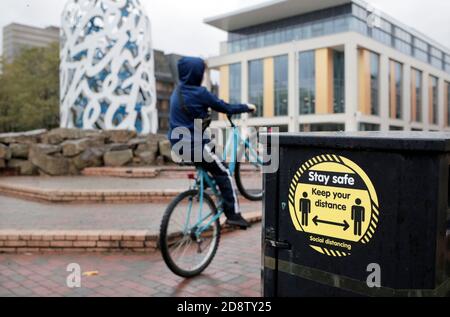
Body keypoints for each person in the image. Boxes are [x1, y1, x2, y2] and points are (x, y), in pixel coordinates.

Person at [168, 56, 256, 229]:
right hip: (195, 145)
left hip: (177, 145)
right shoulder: (200, 93)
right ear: (197, 73)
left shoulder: (176, 92)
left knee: (211, 154)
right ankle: (234, 215)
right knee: (224, 172)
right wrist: (246, 107)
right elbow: (226, 108)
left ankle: (207, 183)